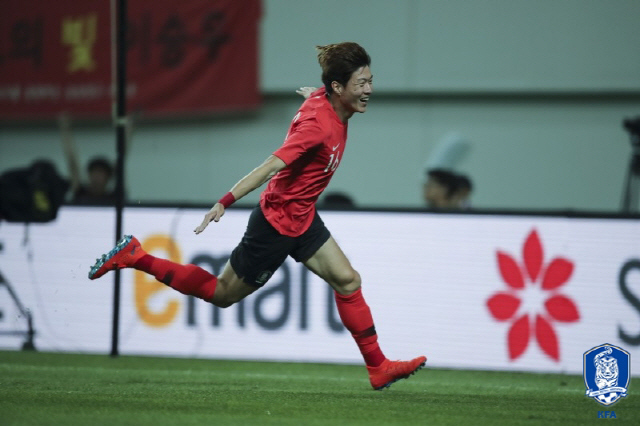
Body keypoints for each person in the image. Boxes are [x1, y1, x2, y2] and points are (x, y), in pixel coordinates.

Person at [88, 42, 426, 390]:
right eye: (361, 83)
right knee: (222, 294)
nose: (369, 90)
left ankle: (378, 367)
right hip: (276, 223)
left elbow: (317, 97)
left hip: (303, 217)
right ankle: (136, 256)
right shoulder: (318, 127)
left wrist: (312, 95)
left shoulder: (325, 101)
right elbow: (269, 166)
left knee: (348, 281)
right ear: (338, 88)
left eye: (370, 81)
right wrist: (225, 200)